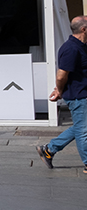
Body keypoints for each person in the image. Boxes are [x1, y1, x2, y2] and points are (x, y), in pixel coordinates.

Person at [37, 16, 87, 171]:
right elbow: (61, 75)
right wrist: (59, 89)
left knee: (81, 127)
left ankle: (49, 150)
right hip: (79, 96)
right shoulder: (71, 48)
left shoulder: (82, 46)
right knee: (83, 131)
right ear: (83, 29)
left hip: (83, 94)